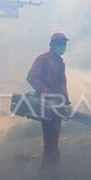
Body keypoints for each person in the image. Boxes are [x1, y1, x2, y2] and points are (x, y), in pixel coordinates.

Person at [26, 33, 70, 172]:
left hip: (58, 103)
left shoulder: (60, 62)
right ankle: (52, 169)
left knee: (54, 136)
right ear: (52, 45)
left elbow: (62, 84)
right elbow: (31, 77)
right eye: (59, 44)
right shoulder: (43, 59)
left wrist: (66, 101)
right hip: (46, 104)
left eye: (64, 44)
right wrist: (44, 92)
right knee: (51, 136)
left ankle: (47, 168)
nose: (62, 47)